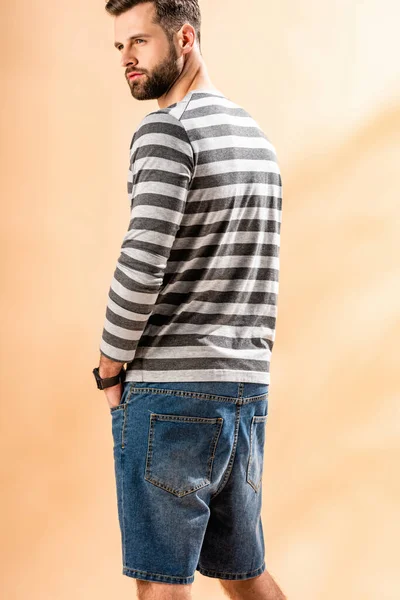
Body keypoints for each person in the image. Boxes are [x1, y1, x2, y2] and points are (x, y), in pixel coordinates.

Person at [93, 1, 286, 599]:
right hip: (245, 395)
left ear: (185, 38)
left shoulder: (166, 129)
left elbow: (141, 262)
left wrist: (108, 365)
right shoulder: (258, 141)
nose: (127, 57)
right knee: (246, 577)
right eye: (119, 45)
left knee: (161, 589)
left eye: (140, 42)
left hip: (172, 399)